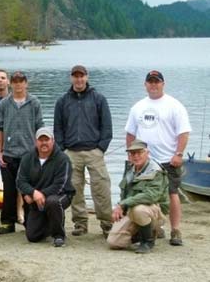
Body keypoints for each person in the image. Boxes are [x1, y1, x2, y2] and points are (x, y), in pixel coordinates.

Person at [125, 70, 191, 246]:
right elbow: (130, 133)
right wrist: (131, 154)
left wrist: (178, 154)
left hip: (167, 159)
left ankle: (175, 230)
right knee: (140, 193)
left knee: (172, 194)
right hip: (143, 160)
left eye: (157, 82)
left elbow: (183, 132)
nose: (153, 85)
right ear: (145, 84)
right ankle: (155, 226)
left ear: (163, 84)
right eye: (150, 82)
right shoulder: (137, 107)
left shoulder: (174, 105)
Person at [54, 65, 113, 237]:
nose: (78, 80)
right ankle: (80, 223)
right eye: (75, 76)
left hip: (94, 151)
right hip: (71, 152)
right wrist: (62, 148)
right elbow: (58, 128)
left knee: (101, 188)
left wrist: (101, 148)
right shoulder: (62, 101)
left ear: (87, 77)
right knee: (74, 190)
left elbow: (107, 126)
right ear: (71, 78)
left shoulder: (98, 99)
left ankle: (107, 223)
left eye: (81, 76)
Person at [0, 70, 44, 235]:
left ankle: (30, 222)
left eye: (21, 81)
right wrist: (0, 151)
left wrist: (40, 151)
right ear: (11, 83)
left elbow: (40, 127)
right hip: (9, 153)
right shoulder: (4, 104)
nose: (18, 84)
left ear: (26, 83)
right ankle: (8, 223)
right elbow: (0, 128)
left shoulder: (34, 102)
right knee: (9, 190)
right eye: (15, 81)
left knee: (28, 190)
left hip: (29, 154)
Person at [16, 127, 75, 247]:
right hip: (37, 197)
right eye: (40, 140)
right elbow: (20, 181)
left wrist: (40, 194)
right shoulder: (27, 158)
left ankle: (59, 235)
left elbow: (60, 185)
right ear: (35, 142)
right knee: (32, 236)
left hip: (62, 194)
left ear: (52, 141)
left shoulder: (63, 159)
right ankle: (49, 223)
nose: (44, 143)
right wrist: (32, 193)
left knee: (52, 202)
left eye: (46, 140)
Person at [107, 139, 168, 254]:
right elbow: (124, 194)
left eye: (139, 153)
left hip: (154, 210)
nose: (136, 156)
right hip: (132, 210)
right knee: (113, 242)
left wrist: (123, 204)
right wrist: (120, 209)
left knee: (138, 210)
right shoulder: (130, 169)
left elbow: (151, 196)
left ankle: (147, 241)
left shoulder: (156, 171)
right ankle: (141, 233)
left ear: (147, 153)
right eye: (132, 153)